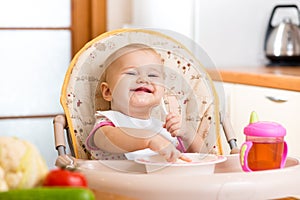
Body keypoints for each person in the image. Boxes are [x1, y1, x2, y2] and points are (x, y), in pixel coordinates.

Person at [85, 43, 189, 162]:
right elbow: (105, 138)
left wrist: (187, 134)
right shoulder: (108, 123)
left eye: (152, 75)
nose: (144, 79)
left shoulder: (164, 128)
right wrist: (148, 139)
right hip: (119, 180)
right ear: (108, 91)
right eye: (131, 73)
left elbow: (194, 158)